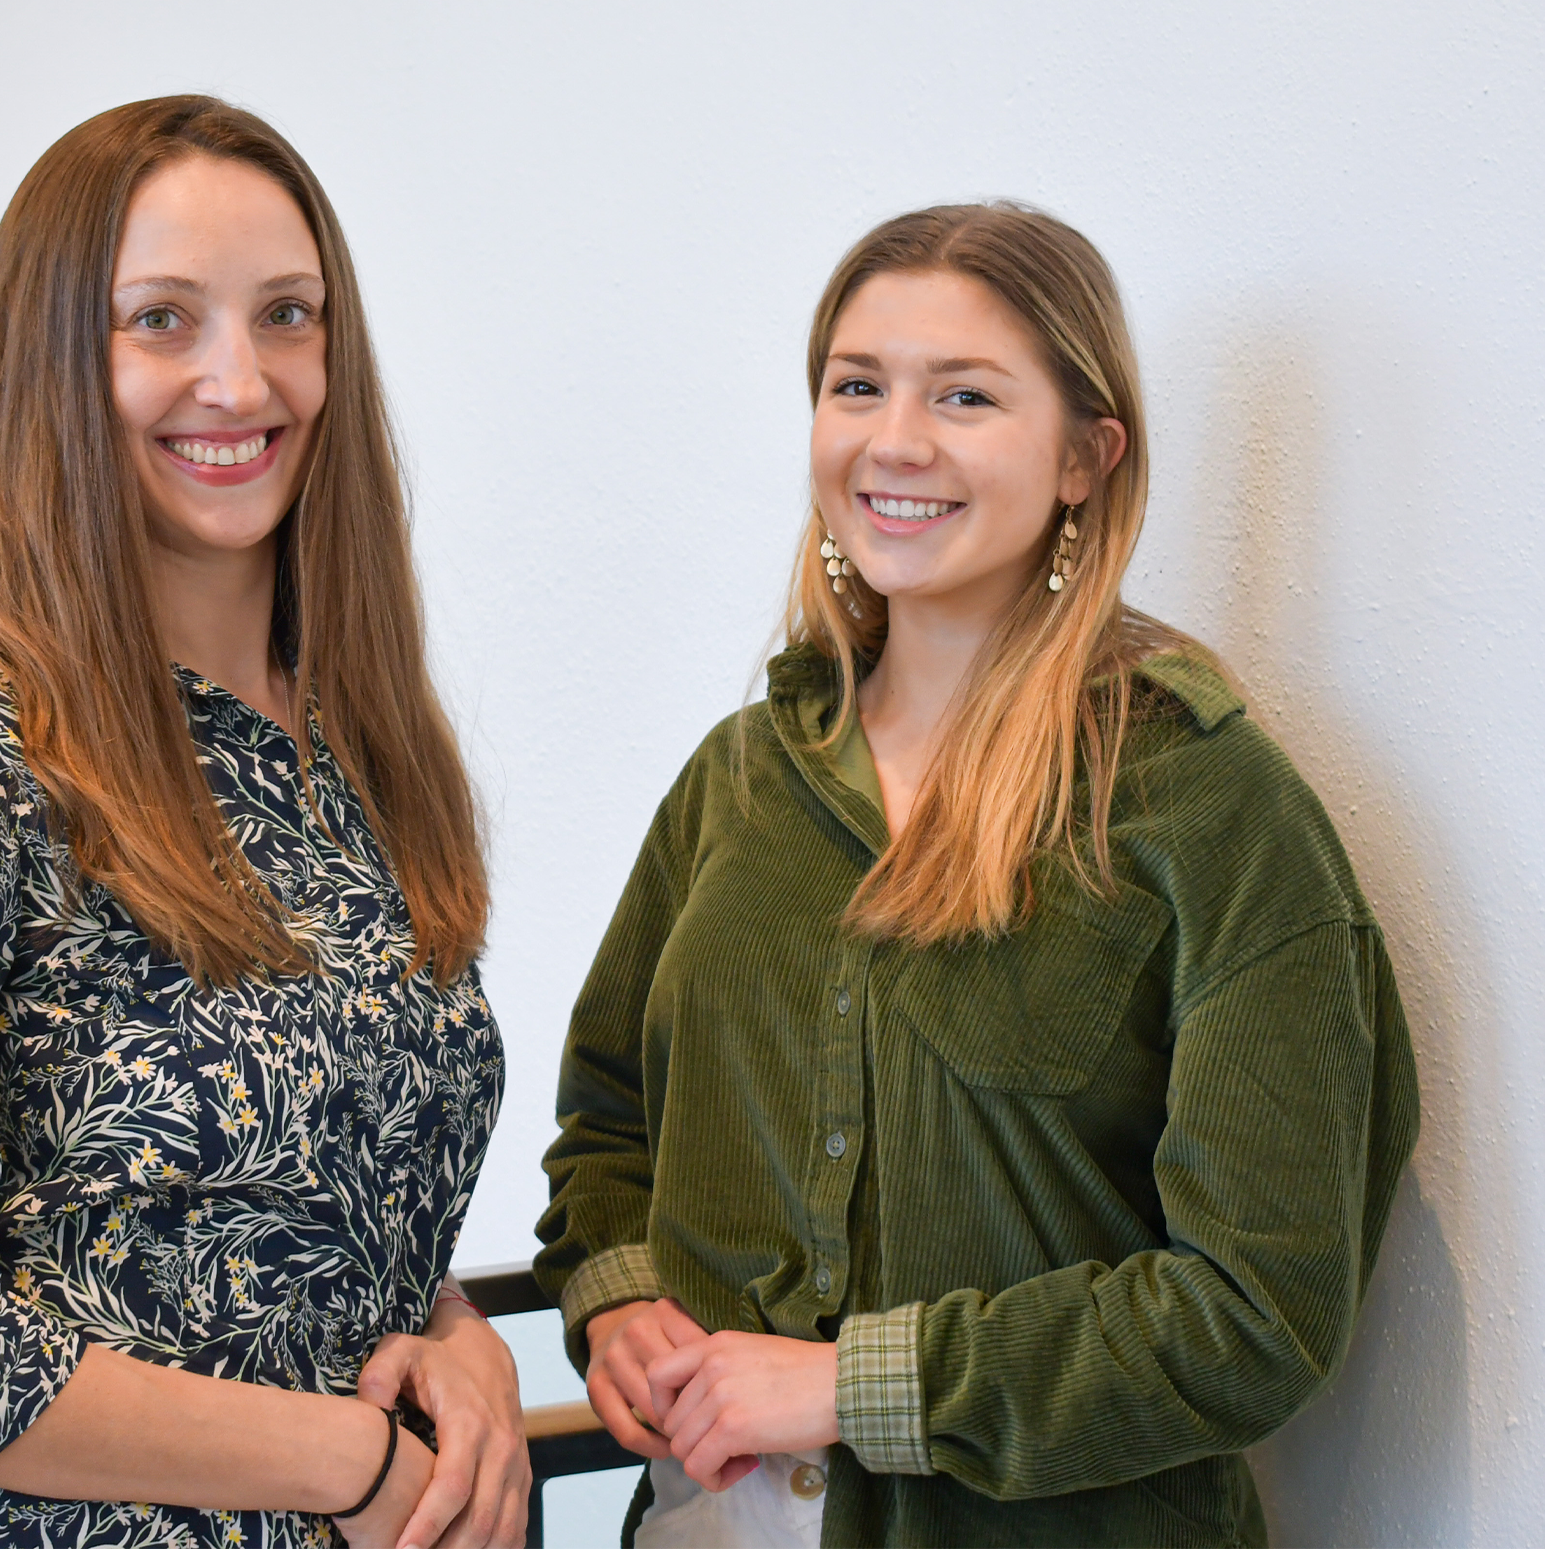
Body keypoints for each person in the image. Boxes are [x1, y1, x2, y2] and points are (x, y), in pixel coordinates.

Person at [535, 203, 1419, 1547]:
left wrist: (852, 1388)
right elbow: (611, 1118)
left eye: (965, 396)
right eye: (857, 386)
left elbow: (1260, 1310)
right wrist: (620, 1298)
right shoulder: (742, 777)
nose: (895, 440)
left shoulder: (1215, 812)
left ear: (1085, 456)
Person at [0, 96, 526, 1549]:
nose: (239, 380)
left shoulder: (356, 748)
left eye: (287, 315)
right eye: (161, 320)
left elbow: (274, 1199)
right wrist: (344, 1461)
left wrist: (454, 1332)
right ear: (51, 362)